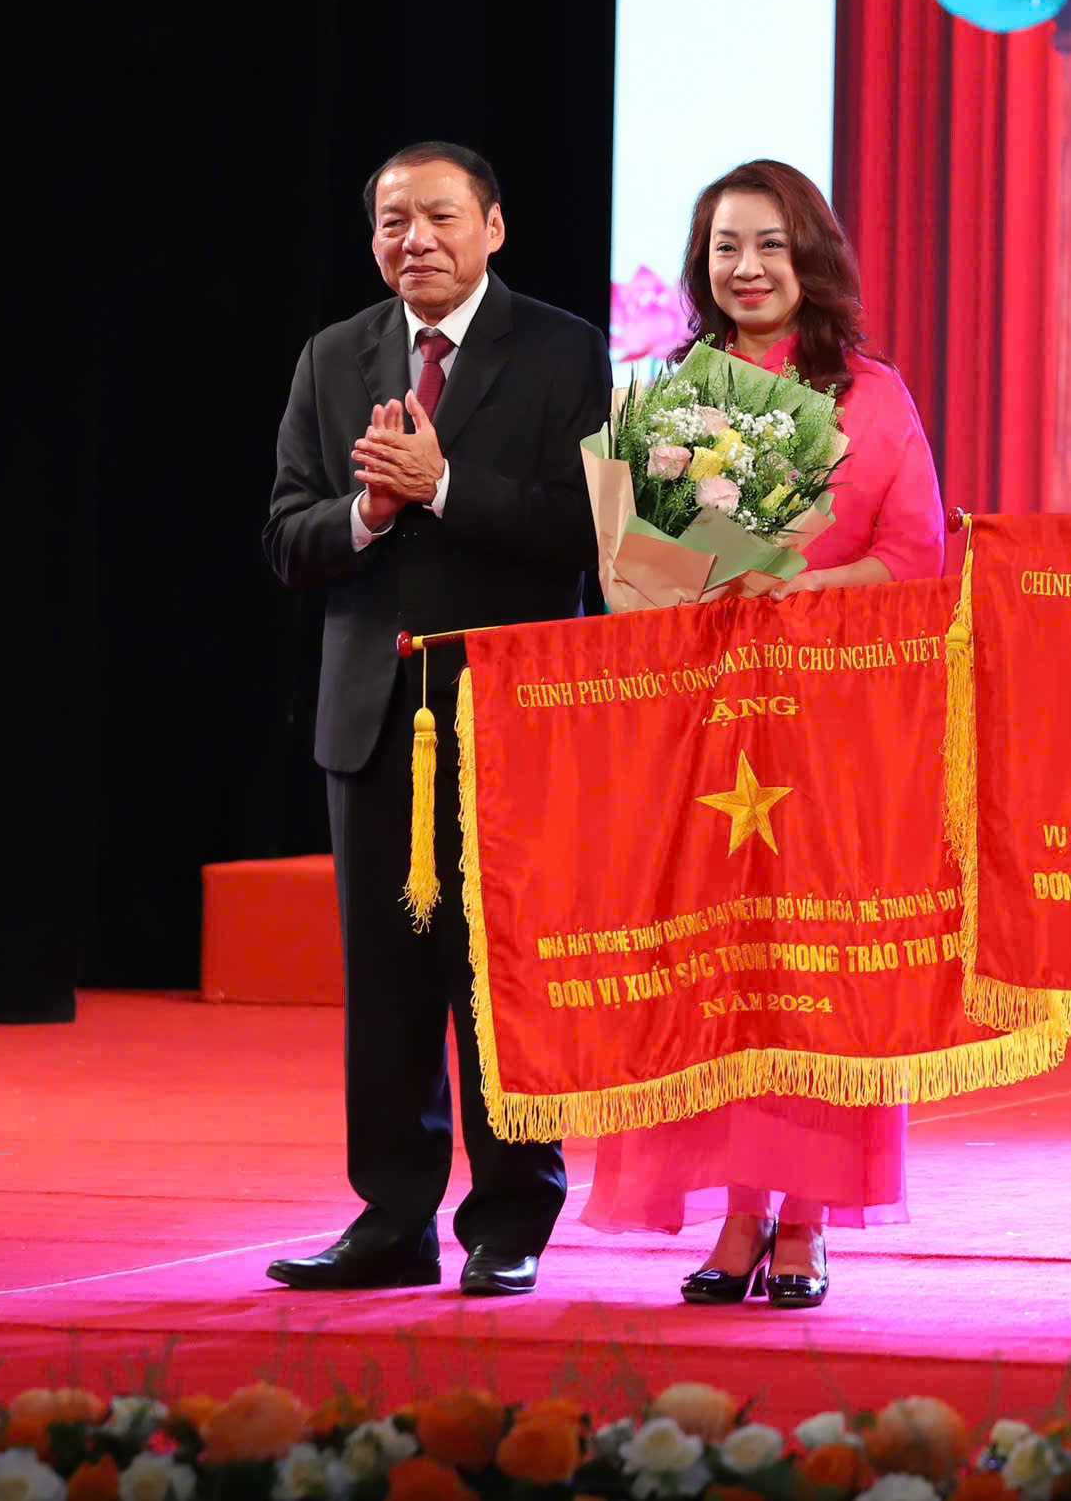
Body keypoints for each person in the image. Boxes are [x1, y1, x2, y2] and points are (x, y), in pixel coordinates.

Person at [578, 158, 944, 1309]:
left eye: (771, 245)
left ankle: (805, 1217)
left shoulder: (873, 396)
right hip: (700, 731)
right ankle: (735, 1210)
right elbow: (623, 566)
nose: (748, 267)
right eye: (727, 247)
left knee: (816, 967)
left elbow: (918, 559)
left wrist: (794, 583)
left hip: (834, 730)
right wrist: (686, 582)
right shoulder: (660, 398)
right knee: (717, 969)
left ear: (812, 259)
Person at [263, 142, 609, 1296]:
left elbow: (587, 533)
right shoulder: (334, 355)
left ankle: (512, 1215)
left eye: (440, 216)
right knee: (390, 984)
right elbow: (286, 537)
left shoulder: (564, 349)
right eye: (393, 220)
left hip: (516, 720)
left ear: (494, 226)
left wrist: (444, 485)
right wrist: (364, 509)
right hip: (371, 722)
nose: (415, 238)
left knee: (502, 978)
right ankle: (391, 1218)